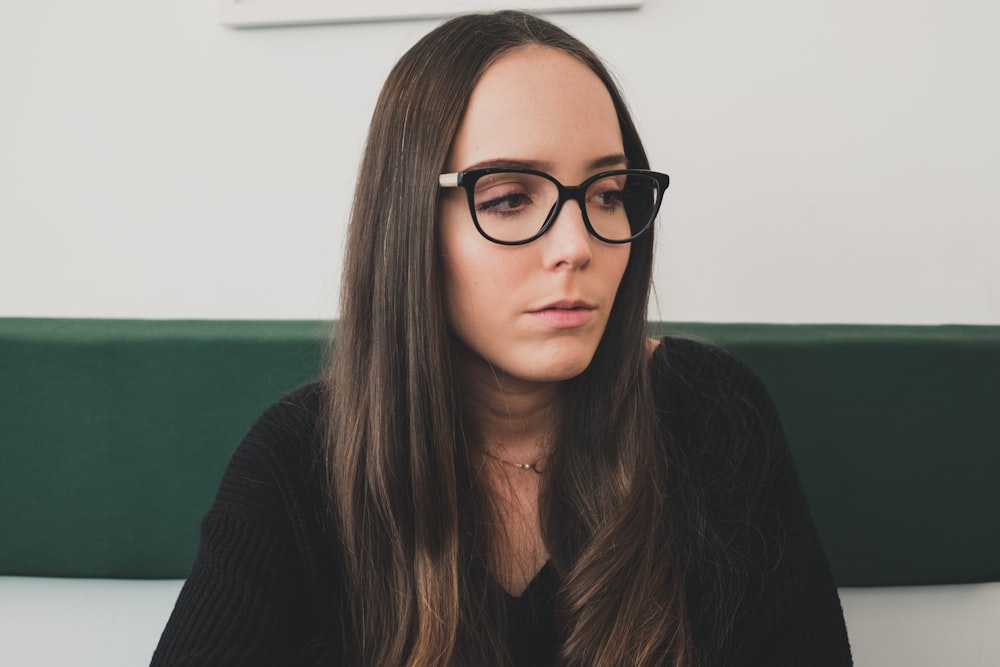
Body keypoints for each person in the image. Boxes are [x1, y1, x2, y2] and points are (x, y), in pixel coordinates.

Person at [152, 10, 852, 666]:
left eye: (607, 193)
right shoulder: (298, 465)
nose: (577, 245)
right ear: (410, 228)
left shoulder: (713, 418)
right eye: (511, 199)